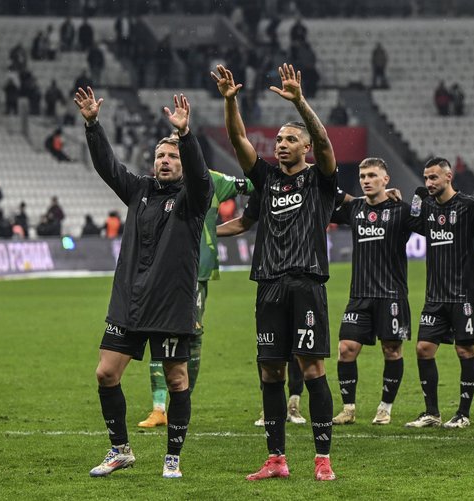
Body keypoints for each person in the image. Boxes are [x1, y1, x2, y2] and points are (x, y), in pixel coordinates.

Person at [75, 87, 213, 479]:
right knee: (105, 373)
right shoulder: (139, 190)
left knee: (176, 379)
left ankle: (173, 458)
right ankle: (120, 450)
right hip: (129, 301)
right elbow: (109, 168)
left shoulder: (193, 198)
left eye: (173, 156)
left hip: (169, 304)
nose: (165, 161)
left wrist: (185, 136)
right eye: (160, 156)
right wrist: (93, 125)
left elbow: (201, 176)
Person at [211, 63, 337, 481]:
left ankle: (322, 459)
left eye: (290, 140)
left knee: (313, 370)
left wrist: (300, 102)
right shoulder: (266, 181)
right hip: (268, 286)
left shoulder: (320, 180)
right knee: (270, 371)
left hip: (306, 283)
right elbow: (238, 140)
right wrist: (230, 102)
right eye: (279, 140)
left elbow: (324, 141)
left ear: (305, 147)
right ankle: (276, 459)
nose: (282, 145)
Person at [137, 169, 255, 429]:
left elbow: (256, 184)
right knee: (157, 332)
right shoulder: (154, 184)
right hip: (159, 270)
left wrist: (247, 218)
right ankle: (158, 408)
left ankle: (181, 405)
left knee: (191, 335)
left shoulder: (213, 179)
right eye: (165, 154)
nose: (170, 159)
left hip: (196, 269)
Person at [403, 158, 474, 429]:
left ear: (448, 176)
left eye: (434, 178)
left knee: (465, 350)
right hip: (435, 296)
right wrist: (415, 198)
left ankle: (463, 413)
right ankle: (432, 413)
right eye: (426, 178)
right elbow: (413, 222)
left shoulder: (470, 205)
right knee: (423, 349)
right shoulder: (428, 206)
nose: (428, 183)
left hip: (464, 296)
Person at [327, 158, 413, 427]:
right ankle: (348, 409)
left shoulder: (402, 210)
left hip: (392, 295)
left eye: (372, 175)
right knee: (346, 349)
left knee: (392, 350)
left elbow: (431, 223)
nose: (366, 180)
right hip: (359, 295)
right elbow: (324, 204)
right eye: (363, 176)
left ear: (385, 179)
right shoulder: (354, 208)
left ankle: (385, 408)